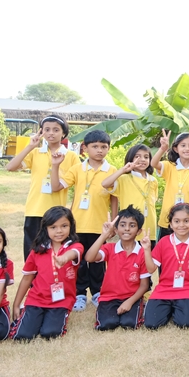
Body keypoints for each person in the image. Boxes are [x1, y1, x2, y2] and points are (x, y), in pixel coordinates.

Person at [51, 129, 116, 311]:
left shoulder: (112, 170)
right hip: (77, 224)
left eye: (104, 147)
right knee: (77, 261)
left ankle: (97, 292)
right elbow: (56, 186)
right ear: (85, 148)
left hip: (99, 225)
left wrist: (113, 224)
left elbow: (114, 198)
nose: (99, 150)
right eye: (95, 146)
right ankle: (79, 294)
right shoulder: (77, 169)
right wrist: (55, 166)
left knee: (97, 262)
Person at [5, 115, 80, 260]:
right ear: (41, 132)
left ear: (63, 133)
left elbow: (78, 186)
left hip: (57, 213)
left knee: (54, 253)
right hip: (34, 210)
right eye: (47, 129)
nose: (51, 133)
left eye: (56, 130)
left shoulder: (71, 156)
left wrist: (72, 209)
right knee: (31, 252)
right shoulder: (35, 153)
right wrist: (30, 146)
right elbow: (10, 167)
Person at [11, 206, 83, 341]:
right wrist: (16, 304)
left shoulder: (75, 247)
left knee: (50, 333)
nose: (59, 231)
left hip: (61, 300)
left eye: (64, 226)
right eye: (53, 227)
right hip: (36, 299)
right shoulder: (37, 250)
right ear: (46, 228)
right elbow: (27, 278)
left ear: (71, 226)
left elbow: (74, 253)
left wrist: (64, 258)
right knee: (23, 336)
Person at [85, 206, 150, 331]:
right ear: (116, 229)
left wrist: (129, 302)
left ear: (138, 231)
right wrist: (104, 236)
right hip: (109, 297)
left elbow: (144, 285)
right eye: (123, 225)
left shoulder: (143, 253)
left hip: (132, 297)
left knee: (129, 324)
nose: (127, 228)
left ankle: (141, 305)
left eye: (132, 225)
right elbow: (89, 257)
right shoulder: (110, 248)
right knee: (107, 324)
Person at [141, 203, 189, 329]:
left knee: (184, 323)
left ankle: (178, 309)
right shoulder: (163, 242)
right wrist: (147, 249)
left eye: (186, 221)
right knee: (151, 324)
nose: (181, 225)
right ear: (170, 224)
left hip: (187, 289)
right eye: (177, 221)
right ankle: (170, 308)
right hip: (164, 288)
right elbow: (151, 269)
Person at [151, 130, 189, 239]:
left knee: (187, 247)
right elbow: (153, 163)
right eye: (183, 145)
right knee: (165, 247)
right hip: (168, 218)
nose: (187, 149)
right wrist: (162, 149)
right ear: (176, 149)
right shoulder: (170, 166)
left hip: (188, 220)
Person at [102, 144, 159, 245]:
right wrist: (123, 170)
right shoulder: (124, 179)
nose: (142, 160)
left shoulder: (153, 180)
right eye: (137, 156)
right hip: (129, 229)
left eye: (146, 157)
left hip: (149, 230)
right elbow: (105, 184)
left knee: (148, 253)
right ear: (130, 159)